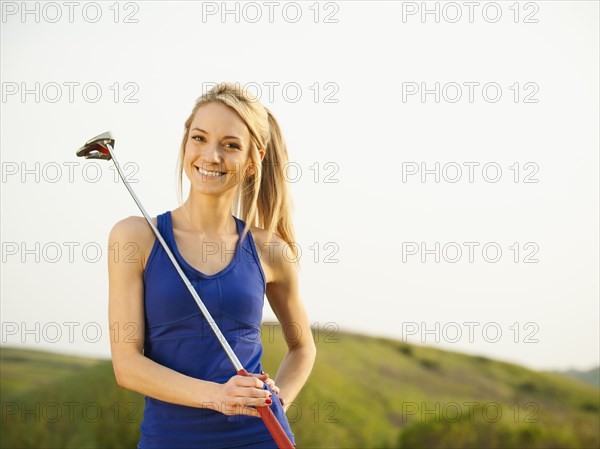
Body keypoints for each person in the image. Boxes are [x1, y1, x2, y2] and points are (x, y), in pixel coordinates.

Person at [107, 82, 317, 449]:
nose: (211, 155)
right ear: (185, 143)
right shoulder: (134, 237)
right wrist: (218, 396)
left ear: (253, 161)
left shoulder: (270, 250)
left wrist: (274, 402)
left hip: (260, 439)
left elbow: (303, 348)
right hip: (169, 439)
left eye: (231, 145)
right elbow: (127, 365)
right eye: (199, 138)